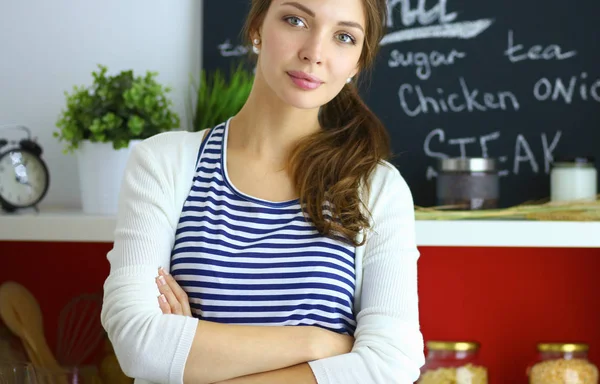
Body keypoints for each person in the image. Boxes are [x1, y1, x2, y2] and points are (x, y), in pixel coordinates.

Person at [100, 0, 425, 383]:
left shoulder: (376, 188)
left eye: (343, 37)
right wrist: (321, 343)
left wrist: (192, 359)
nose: (314, 53)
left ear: (356, 62)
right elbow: (138, 343)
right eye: (296, 20)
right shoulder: (164, 162)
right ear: (257, 28)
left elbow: (392, 363)